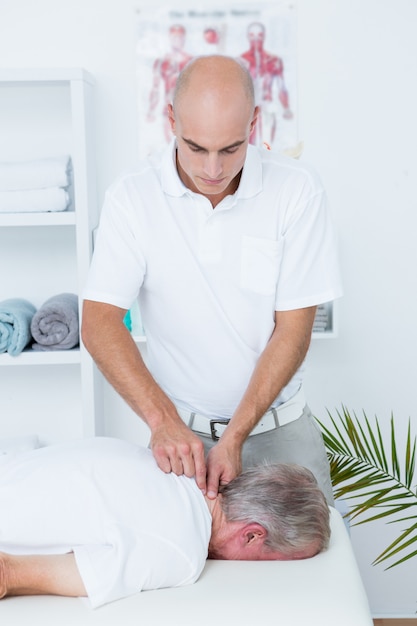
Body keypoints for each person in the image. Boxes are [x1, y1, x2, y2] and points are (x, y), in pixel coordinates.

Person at [82, 55, 342, 506]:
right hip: (181, 442)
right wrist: (163, 422)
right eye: (196, 147)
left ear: (254, 124)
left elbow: (294, 331)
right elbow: (99, 322)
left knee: (316, 574)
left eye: (231, 148)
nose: (214, 170)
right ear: (171, 120)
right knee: (182, 573)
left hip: (281, 434)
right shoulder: (131, 196)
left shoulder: (298, 189)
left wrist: (235, 435)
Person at [0, 437, 330, 608]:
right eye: (281, 562)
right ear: (252, 535)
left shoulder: (172, 463)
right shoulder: (181, 552)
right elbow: (9, 574)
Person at [240, 22, 293, 148]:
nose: (256, 39)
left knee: (267, 145)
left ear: (264, 36)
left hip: (267, 109)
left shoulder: (274, 61)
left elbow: (281, 87)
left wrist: (286, 108)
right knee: (247, 147)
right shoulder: (241, 61)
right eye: (252, 35)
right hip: (247, 110)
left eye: (259, 35)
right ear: (248, 37)